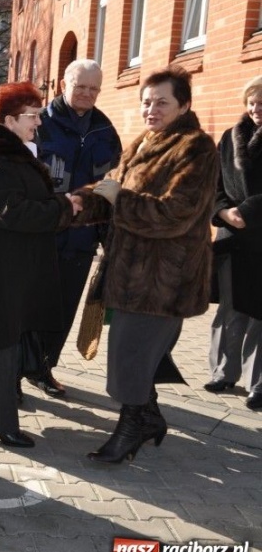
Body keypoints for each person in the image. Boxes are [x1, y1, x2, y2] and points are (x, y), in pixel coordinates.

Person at [71, 65, 218, 463]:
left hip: (163, 280)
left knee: (130, 357)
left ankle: (131, 428)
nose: (151, 109)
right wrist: (75, 203)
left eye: (162, 102)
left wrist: (121, 199)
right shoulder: (145, 142)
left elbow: (176, 214)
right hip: (131, 273)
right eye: (146, 102)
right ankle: (149, 418)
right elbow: (112, 188)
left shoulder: (196, 148)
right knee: (134, 356)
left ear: (184, 105)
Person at [0, 82, 78, 448]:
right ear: (10, 119)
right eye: (33, 116)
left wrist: (63, 202)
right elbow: (13, 211)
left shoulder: (11, 153)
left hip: (10, 267)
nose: (39, 123)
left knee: (5, 343)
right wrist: (64, 208)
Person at [29, 59, 123, 399]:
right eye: (80, 86)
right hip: (41, 234)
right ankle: (12, 374)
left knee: (64, 308)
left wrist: (109, 240)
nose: (86, 93)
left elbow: (113, 184)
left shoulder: (105, 131)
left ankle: (43, 368)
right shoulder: (39, 123)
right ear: (63, 84)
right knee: (29, 306)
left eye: (93, 88)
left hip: (82, 238)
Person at [205, 75, 262, 410]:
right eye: (252, 102)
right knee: (229, 309)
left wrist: (248, 210)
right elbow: (214, 186)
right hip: (231, 237)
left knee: (259, 313)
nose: (257, 108)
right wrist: (224, 213)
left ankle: (258, 383)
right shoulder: (229, 138)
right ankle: (224, 372)